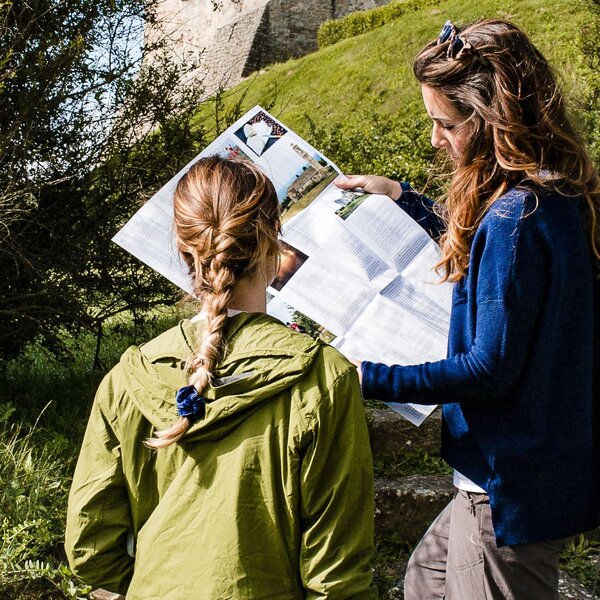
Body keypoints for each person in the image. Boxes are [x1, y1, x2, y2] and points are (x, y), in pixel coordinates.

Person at [336, 18, 600, 600]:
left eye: (445, 124)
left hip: (506, 482)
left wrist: (365, 378)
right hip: (513, 464)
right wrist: (405, 199)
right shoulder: (552, 194)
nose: (435, 139)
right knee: (424, 582)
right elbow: (487, 247)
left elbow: (488, 368)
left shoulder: (516, 220)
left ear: (491, 124)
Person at [65, 156, 378, 599]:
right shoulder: (323, 379)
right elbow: (337, 578)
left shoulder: (125, 380)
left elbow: (89, 548)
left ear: (183, 251)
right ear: (273, 246)